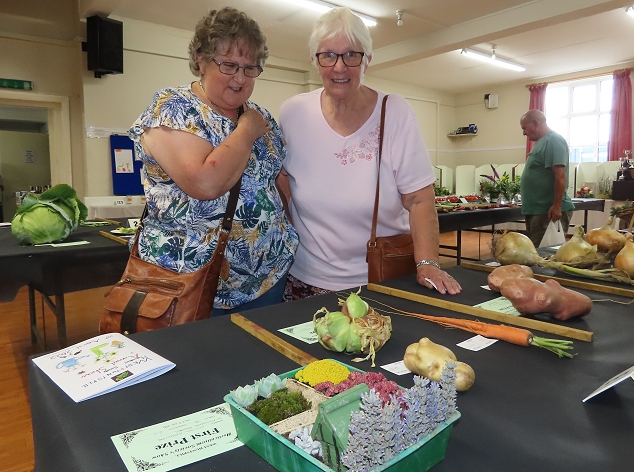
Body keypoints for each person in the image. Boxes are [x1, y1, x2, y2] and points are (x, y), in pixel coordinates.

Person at [278, 7, 461, 300]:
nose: (339, 67)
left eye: (352, 55)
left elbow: (419, 198)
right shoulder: (293, 112)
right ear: (315, 61)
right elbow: (282, 180)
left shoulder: (394, 112)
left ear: (368, 61)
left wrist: (428, 263)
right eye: (328, 55)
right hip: (304, 279)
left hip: (379, 278)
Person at [129, 7, 298, 315]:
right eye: (229, 65)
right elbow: (205, 182)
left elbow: (277, 179)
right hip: (192, 284)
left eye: (250, 68)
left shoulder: (262, 116)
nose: (240, 78)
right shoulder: (174, 109)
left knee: (263, 363)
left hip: (268, 278)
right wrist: (246, 129)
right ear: (200, 60)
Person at [519, 109, 575, 246]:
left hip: (547, 211)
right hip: (538, 210)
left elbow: (560, 176)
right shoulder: (542, 142)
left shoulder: (553, 141)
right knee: (537, 253)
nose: (524, 132)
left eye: (525, 128)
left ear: (535, 123)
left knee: (544, 257)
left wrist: (557, 206)